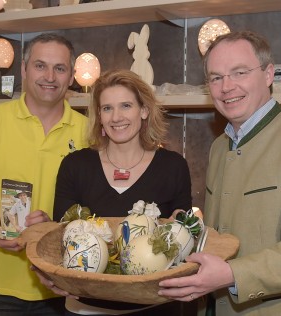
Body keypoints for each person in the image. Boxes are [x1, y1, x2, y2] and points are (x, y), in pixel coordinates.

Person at [158, 30, 281, 315]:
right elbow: (228, 232)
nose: (226, 87)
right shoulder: (220, 146)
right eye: (216, 77)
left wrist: (231, 274)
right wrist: (188, 233)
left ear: (269, 74)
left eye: (239, 72)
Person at [46, 69, 194, 315]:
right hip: (85, 308)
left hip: (155, 307)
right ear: (99, 117)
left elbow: (181, 243)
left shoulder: (173, 166)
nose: (116, 117)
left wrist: (184, 227)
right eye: (107, 108)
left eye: (126, 105)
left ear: (144, 111)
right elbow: (61, 240)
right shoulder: (75, 166)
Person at [0, 33, 89, 316]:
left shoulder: (88, 133)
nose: (50, 76)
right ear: (23, 69)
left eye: (60, 68)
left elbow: (95, 210)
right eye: (40, 65)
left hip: (62, 283)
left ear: (71, 77)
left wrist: (52, 227)